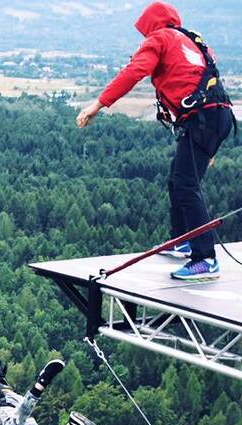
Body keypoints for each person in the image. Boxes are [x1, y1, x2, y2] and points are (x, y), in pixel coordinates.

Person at [76, 1, 234, 281]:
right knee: (178, 179)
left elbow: (133, 73)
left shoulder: (159, 38)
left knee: (186, 184)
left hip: (202, 120)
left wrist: (97, 105)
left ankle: (205, 259)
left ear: (151, 24)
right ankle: (183, 241)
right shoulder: (193, 40)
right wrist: (211, 145)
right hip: (216, 117)